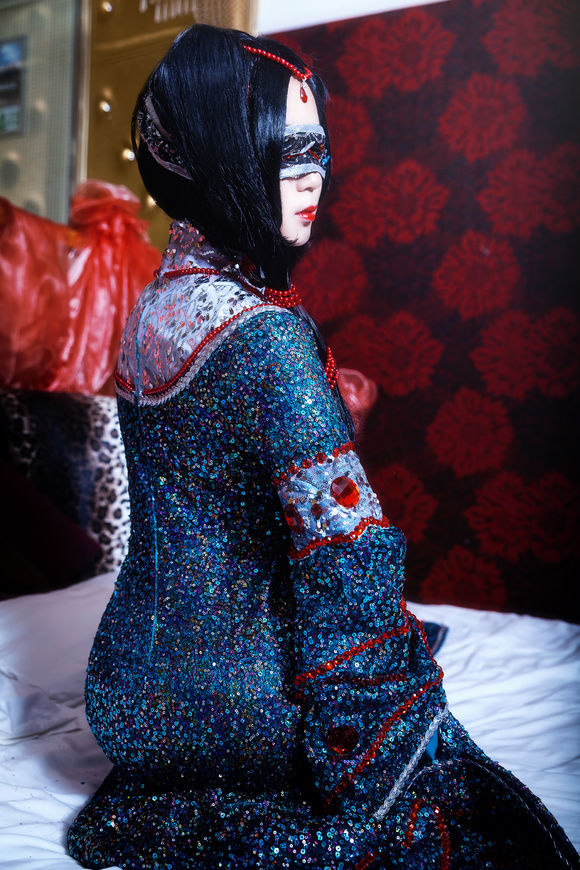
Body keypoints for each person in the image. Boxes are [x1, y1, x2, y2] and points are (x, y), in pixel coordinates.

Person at [67, 24, 579, 870]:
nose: (314, 176)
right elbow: (345, 553)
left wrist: (326, 414)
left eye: (320, 151)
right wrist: (392, 710)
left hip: (121, 691)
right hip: (230, 708)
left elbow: (219, 481)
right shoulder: (266, 337)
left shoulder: (153, 307)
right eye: (285, 150)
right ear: (219, 153)